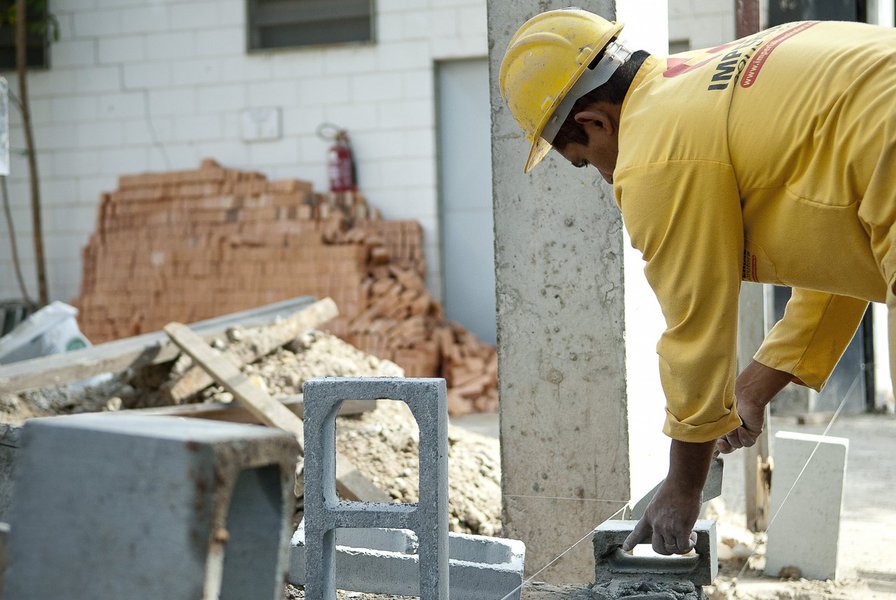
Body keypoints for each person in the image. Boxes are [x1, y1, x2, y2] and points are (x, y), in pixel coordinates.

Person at [499, 8, 896, 556]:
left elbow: (695, 329)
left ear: (595, 122)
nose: (605, 175)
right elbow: (836, 245)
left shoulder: (653, 153)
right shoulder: (694, 88)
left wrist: (683, 485)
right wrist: (753, 389)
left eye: (584, 159)